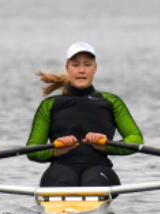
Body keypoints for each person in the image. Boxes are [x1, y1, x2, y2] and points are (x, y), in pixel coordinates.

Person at [25, 42, 144, 186]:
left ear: (95, 68)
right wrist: (55, 150)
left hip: (99, 169)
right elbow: (32, 150)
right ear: (67, 68)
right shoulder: (49, 105)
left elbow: (136, 139)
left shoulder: (112, 101)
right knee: (64, 181)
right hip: (60, 169)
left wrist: (106, 145)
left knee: (93, 182)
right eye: (75, 65)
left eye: (87, 65)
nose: (81, 70)